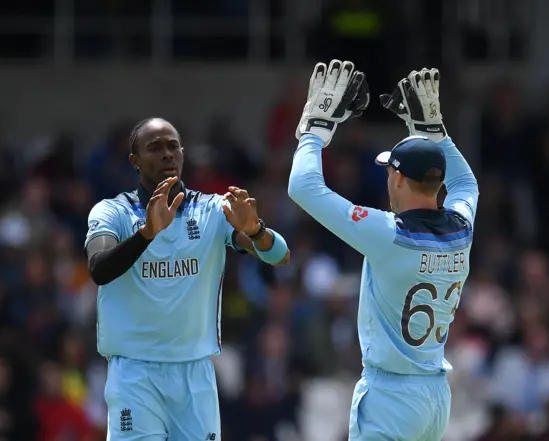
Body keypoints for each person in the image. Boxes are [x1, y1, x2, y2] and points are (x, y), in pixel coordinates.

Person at [288, 61, 478, 440]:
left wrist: (313, 132)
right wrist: (434, 133)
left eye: (390, 170)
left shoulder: (388, 233)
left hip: (391, 396)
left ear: (400, 178)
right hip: (436, 395)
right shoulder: (462, 227)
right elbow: (465, 183)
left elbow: (303, 187)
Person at [84, 117, 290, 441]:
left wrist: (256, 230)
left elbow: (279, 255)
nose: (167, 154)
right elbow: (99, 268)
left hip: (196, 374)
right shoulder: (113, 212)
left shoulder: (212, 210)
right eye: (154, 148)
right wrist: (147, 234)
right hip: (136, 374)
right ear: (134, 161)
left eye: (173, 146)